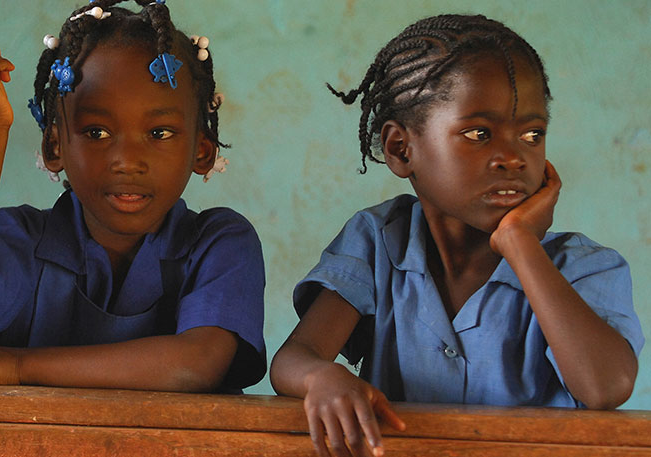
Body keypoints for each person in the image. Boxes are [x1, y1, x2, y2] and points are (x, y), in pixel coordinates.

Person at [269, 14, 643, 457]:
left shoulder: (583, 267)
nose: (513, 157)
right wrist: (322, 377)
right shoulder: (377, 241)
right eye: (478, 133)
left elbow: (606, 387)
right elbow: (294, 358)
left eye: (532, 134)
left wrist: (521, 244)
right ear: (400, 149)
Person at [0, 1, 265, 393]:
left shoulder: (219, 243)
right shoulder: (26, 239)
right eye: (96, 133)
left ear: (202, 152)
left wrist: (20, 366)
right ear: (55, 147)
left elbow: (194, 365)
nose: (127, 162)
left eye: (159, 133)